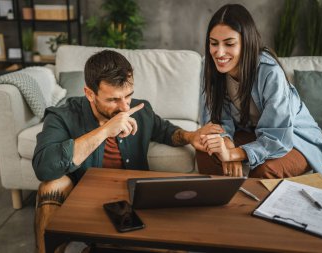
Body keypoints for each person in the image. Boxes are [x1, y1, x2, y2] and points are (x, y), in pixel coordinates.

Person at [32, 50, 221, 253]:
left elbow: (167, 131)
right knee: (51, 186)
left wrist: (191, 137)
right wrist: (105, 130)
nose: (124, 107)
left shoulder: (141, 111)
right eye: (113, 100)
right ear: (90, 94)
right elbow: (44, 167)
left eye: (128, 96)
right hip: (84, 198)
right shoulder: (63, 116)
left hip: (129, 202)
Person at [199, 4, 322, 179]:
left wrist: (235, 154)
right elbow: (214, 123)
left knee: (265, 171)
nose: (219, 52)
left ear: (246, 43)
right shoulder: (210, 68)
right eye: (213, 43)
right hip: (252, 133)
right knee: (206, 154)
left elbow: (277, 136)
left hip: (292, 138)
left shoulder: (269, 71)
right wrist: (225, 145)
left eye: (229, 44)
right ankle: (222, 204)